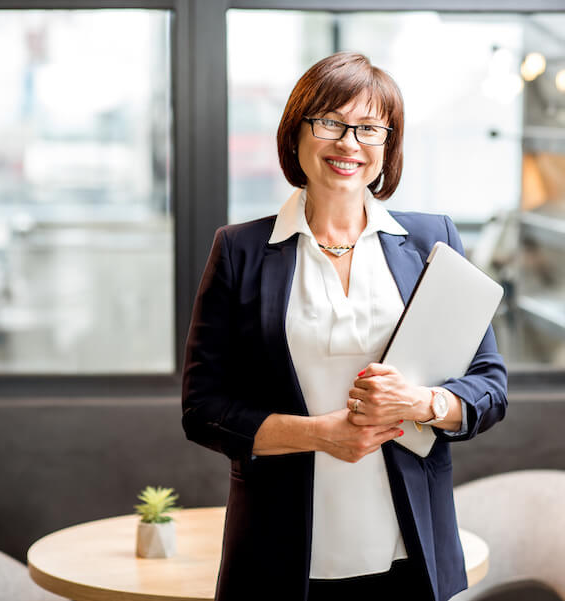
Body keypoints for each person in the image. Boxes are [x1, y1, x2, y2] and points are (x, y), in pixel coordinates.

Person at [182, 51, 507, 601]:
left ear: (388, 144)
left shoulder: (433, 241)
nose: (349, 143)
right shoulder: (240, 251)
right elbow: (204, 411)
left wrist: (420, 402)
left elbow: (489, 387)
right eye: (330, 122)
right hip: (280, 553)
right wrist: (320, 436)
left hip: (410, 552)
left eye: (369, 128)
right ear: (297, 133)